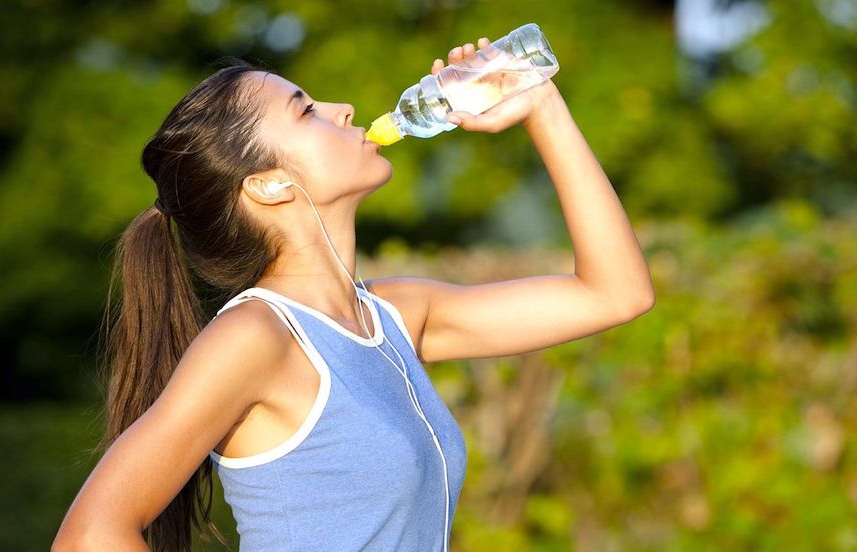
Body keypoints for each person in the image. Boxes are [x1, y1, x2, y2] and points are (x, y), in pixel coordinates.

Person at [52, 36, 654, 552]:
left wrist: (541, 106)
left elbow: (616, 293)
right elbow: (89, 535)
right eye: (306, 111)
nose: (342, 110)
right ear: (269, 185)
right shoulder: (255, 337)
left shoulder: (397, 316)